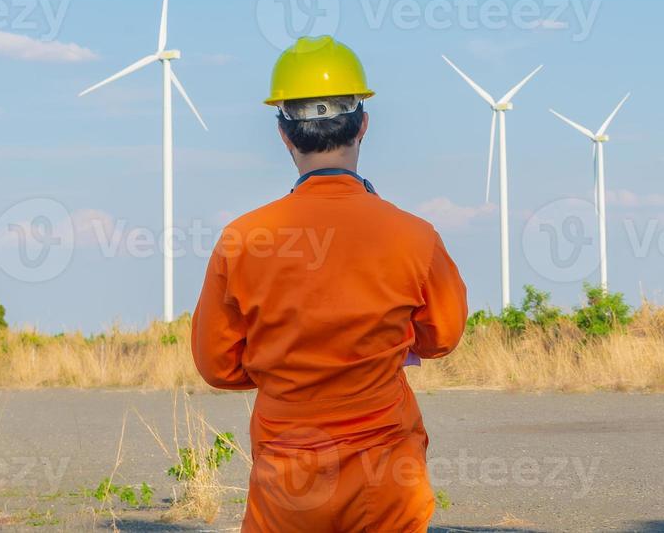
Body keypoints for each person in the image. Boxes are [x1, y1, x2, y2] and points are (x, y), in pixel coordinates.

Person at [192, 36, 468, 532]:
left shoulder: (242, 239)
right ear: (364, 124)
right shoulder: (415, 236)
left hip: (287, 482)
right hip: (389, 481)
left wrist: (287, 369)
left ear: (283, 134)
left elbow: (217, 366)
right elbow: (442, 337)